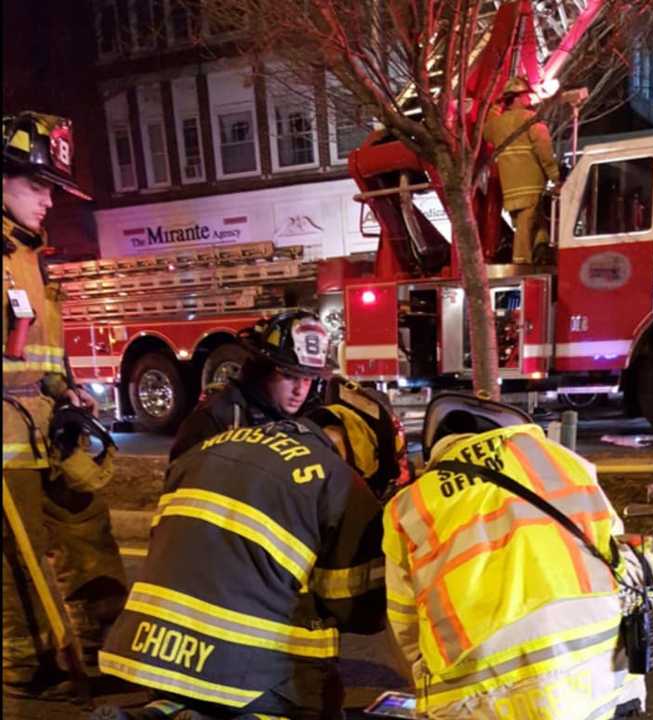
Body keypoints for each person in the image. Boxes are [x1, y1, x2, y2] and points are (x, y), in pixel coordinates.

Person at [95, 377, 407, 719]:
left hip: (151, 651)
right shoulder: (340, 481)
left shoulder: (209, 448)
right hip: (242, 670)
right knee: (317, 686)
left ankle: (157, 713)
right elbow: (355, 608)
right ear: (370, 453)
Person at [382, 391, 653, 720]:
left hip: (485, 697)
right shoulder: (567, 463)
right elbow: (616, 555)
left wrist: (423, 685)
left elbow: (404, 626)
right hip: (599, 675)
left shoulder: (411, 504)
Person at [3, 111, 127, 700]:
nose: (48, 200)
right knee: (17, 564)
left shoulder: (29, 255)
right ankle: (30, 672)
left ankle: (106, 655)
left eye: (52, 188)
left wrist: (67, 391)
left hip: (48, 431)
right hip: (5, 445)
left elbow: (39, 354)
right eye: (36, 185)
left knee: (88, 538)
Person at [169, 309, 332, 462]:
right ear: (263, 370)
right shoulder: (216, 418)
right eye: (289, 376)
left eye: (307, 379)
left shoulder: (311, 420)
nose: (299, 391)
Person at [483, 77, 560, 265]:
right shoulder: (531, 120)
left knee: (534, 222)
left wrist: (495, 105)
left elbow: (486, 132)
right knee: (526, 226)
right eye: (526, 96)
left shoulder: (497, 124)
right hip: (531, 184)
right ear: (517, 98)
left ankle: (542, 251)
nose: (529, 99)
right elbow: (545, 152)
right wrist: (557, 177)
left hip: (510, 187)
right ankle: (521, 262)